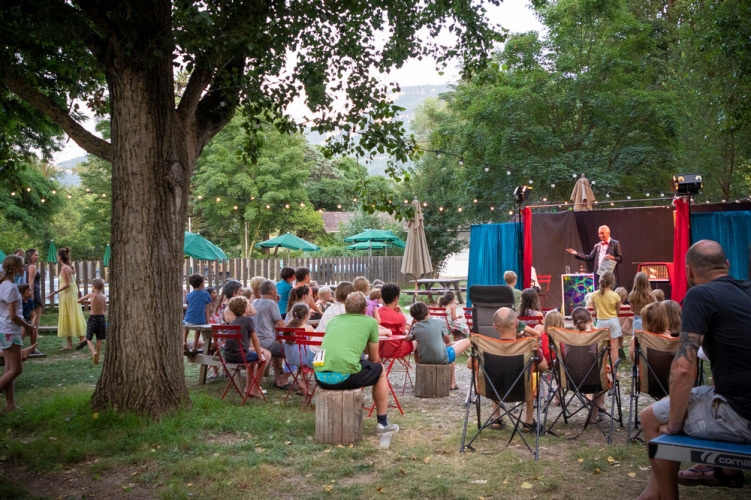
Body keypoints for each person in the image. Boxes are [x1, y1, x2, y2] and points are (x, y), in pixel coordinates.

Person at [638, 240, 751, 499]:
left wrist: (675, 427)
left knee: (650, 418)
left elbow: (682, 369)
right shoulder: (747, 291)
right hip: (741, 404)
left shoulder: (700, 295)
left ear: (688, 272)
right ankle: (651, 493)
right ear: (727, 266)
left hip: (742, 416)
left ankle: (662, 496)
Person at [314, 291, 399, 435]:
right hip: (344, 377)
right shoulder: (370, 322)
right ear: (365, 309)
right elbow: (374, 359)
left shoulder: (333, 321)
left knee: (356, 365)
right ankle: (383, 423)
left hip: (320, 377)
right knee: (380, 370)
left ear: (346, 308)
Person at [488, 307, 548, 431]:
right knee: (532, 375)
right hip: (523, 391)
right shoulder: (528, 347)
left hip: (497, 390)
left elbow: (469, 364)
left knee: (492, 373)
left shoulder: (488, 347)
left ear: (495, 327)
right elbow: (544, 366)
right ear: (517, 324)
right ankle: (528, 421)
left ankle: (496, 419)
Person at [0, 255, 37, 412]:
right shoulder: (12, 288)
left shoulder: (3, 285)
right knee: (17, 369)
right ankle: (9, 405)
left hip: (4, 329)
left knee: (9, 370)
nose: (24, 269)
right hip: (11, 331)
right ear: (14, 269)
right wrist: (28, 326)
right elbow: (14, 315)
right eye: (22, 266)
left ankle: (10, 405)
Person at [408, 301, 470, 391]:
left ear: (414, 317)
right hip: (442, 358)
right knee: (466, 341)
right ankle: (452, 384)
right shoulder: (439, 322)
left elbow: (409, 338)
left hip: (422, 360)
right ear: (428, 311)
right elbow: (447, 342)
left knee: (417, 342)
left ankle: (420, 372)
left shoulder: (416, 327)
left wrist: (413, 323)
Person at [225, 296, 271, 399]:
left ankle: (248, 388)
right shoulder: (248, 320)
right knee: (263, 360)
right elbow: (255, 340)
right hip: (241, 356)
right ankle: (255, 390)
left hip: (228, 356)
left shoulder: (233, 322)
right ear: (246, 309)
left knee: (251, 358)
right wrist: (260, 356)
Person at [47, 247, 86, 351]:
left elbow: (67, 284)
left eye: (57, 255)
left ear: (59, 257)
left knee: (67, 314)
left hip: (67, 294)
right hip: (72, 293)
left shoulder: (64, 268)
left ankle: (70, 343)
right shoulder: (71, 267)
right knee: (74, 313)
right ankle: (82, 338)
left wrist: (55, 292)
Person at [252, 280, 289, 389]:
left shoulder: (255, 302)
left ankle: (277, 378)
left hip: (256, 343)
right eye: (276, 290)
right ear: (272, 291)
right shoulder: (271, 304)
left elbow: (266, 314)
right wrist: (294, 333)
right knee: (296, 351)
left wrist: (275, 303)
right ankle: (283, 380)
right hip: (267, 343)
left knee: (277, 344)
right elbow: (281, 324)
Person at [590, 271, 622, 368]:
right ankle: (614, 371)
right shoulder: (615, 295)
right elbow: (618, 310)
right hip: (613, 321)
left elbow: (595, 309)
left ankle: (602, 369)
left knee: (601, 348)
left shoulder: (594, 295)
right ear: (612, 282)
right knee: (614, 348)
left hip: (601, 322)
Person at [77, 278, 107, 364]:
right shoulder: (104, 297)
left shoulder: (91, 295)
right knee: (99, 338)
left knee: (88, 338)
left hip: (93, 317)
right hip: (102, 318)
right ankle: (99, 355)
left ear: (93, 287)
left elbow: (79, 301)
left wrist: (88, 301)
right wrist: (91, 302)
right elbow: (104, 309)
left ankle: (94, 353)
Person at [182, 273, 213, 351]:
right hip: (200, 321)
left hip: (188, 319)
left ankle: (184, 341)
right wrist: (207, 321)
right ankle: (194, 346)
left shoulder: (188, 295)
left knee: (185, 326)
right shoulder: (206, 294)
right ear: (202, 284)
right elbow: (207, 309)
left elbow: (188, 308)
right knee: (198, 330)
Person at [22, 249, 42, 353]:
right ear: (30, 257)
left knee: (31, 317)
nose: (37, 257)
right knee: (35, 315)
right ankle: (33, 333)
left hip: (27, 292)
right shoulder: (32, 267)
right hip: (33, 292)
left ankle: (33, 333)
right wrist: (32, 294)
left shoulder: (24, 266)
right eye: (35, 255)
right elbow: (30, 281)